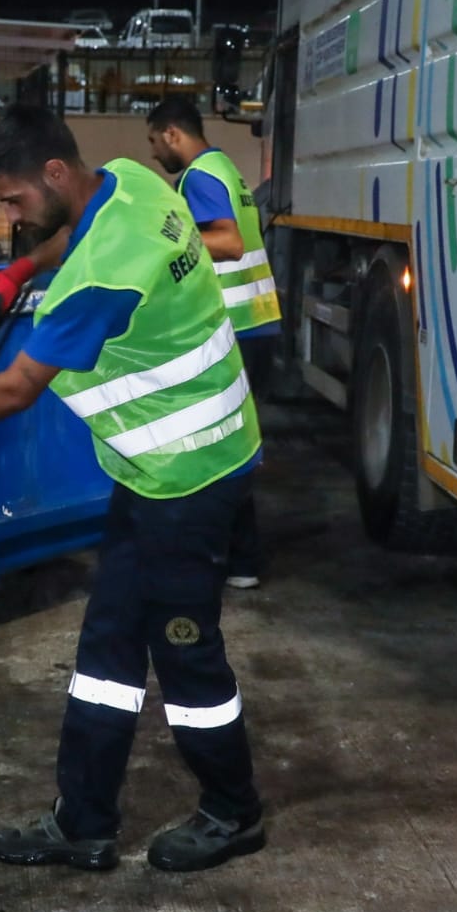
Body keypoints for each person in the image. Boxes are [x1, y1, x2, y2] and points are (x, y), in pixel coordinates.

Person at [0, 103, 265, 873]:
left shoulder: (98, 279)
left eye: (15, 201)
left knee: (185, 655)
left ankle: (234, 811)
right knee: (107, 646)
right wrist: (23, 266)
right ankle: (83, 820)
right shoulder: (131, 181)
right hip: (164, 468)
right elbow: (71, 234)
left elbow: (17, 387)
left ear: (54, 173)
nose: (12, 215)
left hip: (186, 478)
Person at [144, 97, 280, 589]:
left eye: (155, 142)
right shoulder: (226, 167)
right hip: (258, 325)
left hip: (235, 330)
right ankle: (240, 561)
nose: (156, 154)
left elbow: (227, 242)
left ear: (173, 134)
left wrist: (167, 244)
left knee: (216, 449)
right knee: (233, 445)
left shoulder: (199, 176)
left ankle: (229, 558)